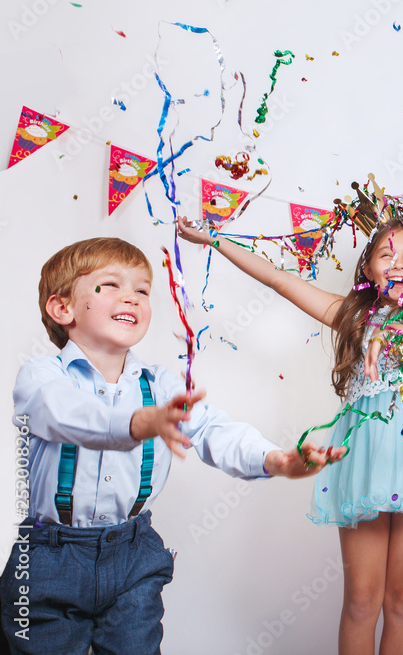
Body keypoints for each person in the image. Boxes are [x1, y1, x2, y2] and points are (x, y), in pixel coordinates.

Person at [178, 141, 403, 654]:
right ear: (368, 270)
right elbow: (279, 278)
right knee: (361, 600)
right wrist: (215, 239)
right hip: (365, 466)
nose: (400, 262)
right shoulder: (353, 317)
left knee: (402, 600)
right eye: (385, 254)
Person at [0, 237, 335, 655]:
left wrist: (277, 459)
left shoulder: (159, 385)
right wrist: (140, 422)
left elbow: (214, 429)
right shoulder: (41, 376)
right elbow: (63, 413)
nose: (132, 297)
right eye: (111, 285)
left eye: (141, 289)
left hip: (134, 555)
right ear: (62, 308)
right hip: (49, 561)